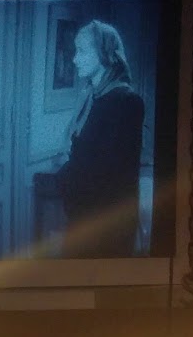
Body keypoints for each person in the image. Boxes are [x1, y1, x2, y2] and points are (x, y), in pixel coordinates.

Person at [56, 19, 144, 257]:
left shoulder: (126, 102)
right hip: (82, 220)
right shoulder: (91, 97)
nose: (75, 59)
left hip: (105, 230)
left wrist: (64, 178)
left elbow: (112, 178)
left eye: (82, 51)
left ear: (104, 53)